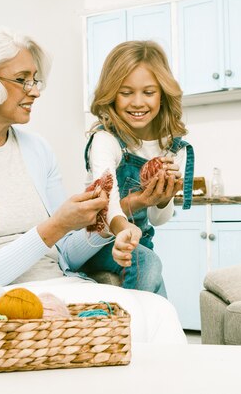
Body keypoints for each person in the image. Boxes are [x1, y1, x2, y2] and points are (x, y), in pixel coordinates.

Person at [0, 27, 187, 345]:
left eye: (35, 79)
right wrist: (55, 226)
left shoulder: (37, 149)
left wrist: (99, 225)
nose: (35, 90)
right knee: (87, 335)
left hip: (57, 285)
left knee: (158, 313)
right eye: (22, 80)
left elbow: (65, 255)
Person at [83, 40, 195, 297]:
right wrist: (139, 207)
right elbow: (106, 205)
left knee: (164, 311)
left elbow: (158, 219)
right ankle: (133, 333)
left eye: (148, 92)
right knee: (148, 264)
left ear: (162, 94)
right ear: (111, 94)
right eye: (125, 92)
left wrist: (164, 199)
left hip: (140, 242)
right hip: (99, 242)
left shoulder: (173, 147)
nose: (137, 102)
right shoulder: (106, 140)